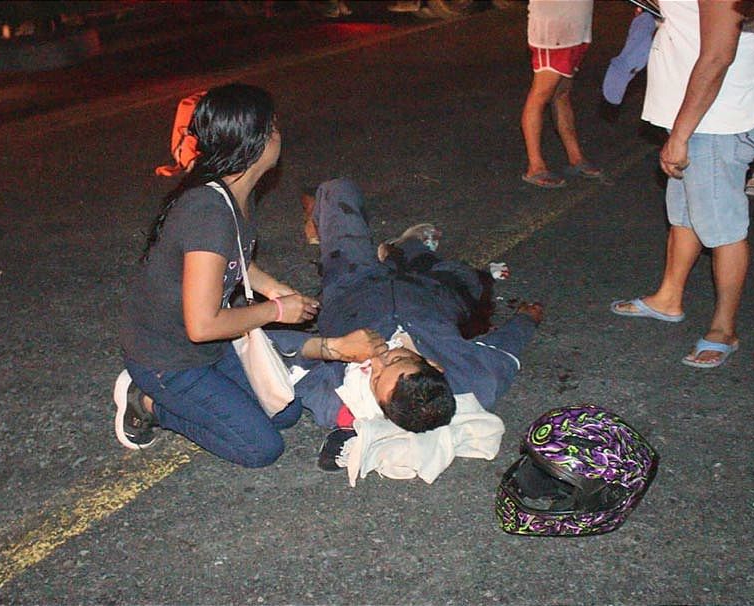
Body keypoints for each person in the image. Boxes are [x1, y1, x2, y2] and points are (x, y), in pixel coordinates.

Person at [116, 83, 386, 467]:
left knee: (286, 412)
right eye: (273, 128)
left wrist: (271, 287)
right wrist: (276, 311)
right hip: (167, 358)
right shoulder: (209, 213)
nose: (280, 136)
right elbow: (202, 324)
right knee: (260, 448)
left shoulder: (234, 191)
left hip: (207, 348)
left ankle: (189, 396)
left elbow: (233, 258)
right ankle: (146, 402)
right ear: (255, 142)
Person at [268, 178, 543, 467]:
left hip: (353, 285)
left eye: (376, 377)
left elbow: (272, 351)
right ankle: (406, 248)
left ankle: (327, 225)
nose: (377, 360)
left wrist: (332, 348)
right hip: (432, 289)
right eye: (396, 358)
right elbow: (505, 351)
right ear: (435, 367)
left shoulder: (339, 399)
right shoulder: (473, 379)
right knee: (468, 278)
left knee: (337, 191)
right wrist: (527, 318)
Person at [611, 0, 754, 368]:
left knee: (723, 229)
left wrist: (681, 134)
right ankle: (669, 297)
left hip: (714, 120)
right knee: (686, 213)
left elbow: (718, 56)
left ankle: (724, 329)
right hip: (700, 114)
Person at [520, 0, 603, 189]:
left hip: (576, 27)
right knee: (540, 95)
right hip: (552, 30)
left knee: (562, 93)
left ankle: (576, 157)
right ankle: (535, 165)